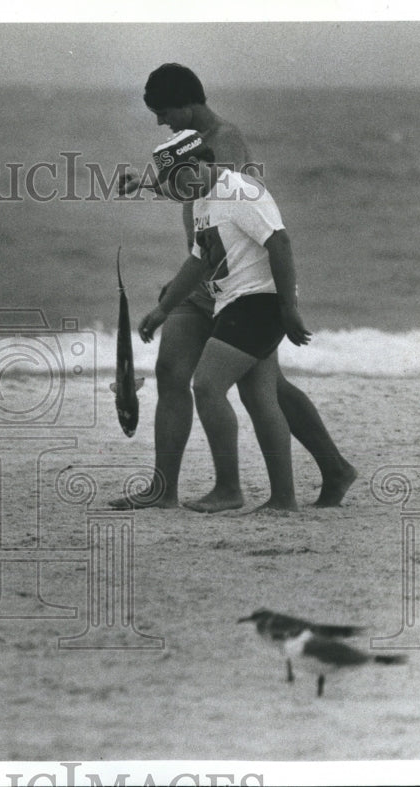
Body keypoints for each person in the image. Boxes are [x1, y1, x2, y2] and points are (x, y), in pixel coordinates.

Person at [112, 63, 355, 511]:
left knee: (265, 389)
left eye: (164, 112)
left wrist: (283, 302)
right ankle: (163, 490)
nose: (160, 121)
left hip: (237, 284)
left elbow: (221, 189)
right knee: (173, 373)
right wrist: (148, 181)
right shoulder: (187, 151)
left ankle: (323, 470)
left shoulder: (226, 139)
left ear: (187, 103)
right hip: (205, 274)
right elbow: (194, 186)